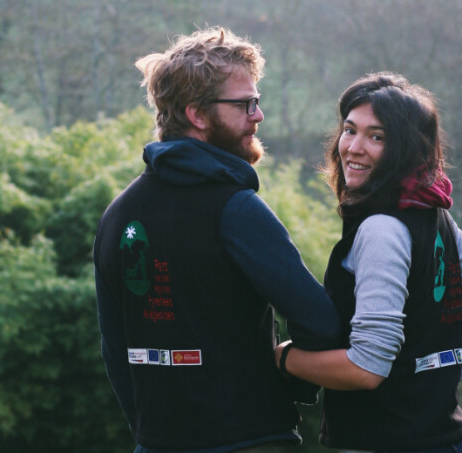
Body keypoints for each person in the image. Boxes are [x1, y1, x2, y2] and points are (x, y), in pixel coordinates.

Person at [93, 27, 341, 453]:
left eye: (256, 101)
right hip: (252, 440)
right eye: (245, 104)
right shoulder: (236, 209)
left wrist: (150, 435)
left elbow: (115, 350)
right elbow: (320, 323)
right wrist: (285, 368)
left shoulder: (118, 215)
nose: (258, 115)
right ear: (197, 115)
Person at [275, 72, 462, 453]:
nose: (353, 147)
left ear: (405, 149)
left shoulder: (382, 230)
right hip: (447, 439)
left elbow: (367, 368)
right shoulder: (433, 215)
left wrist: (284, 357)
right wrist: (435, 377)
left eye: (377, 137)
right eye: (350, 130)